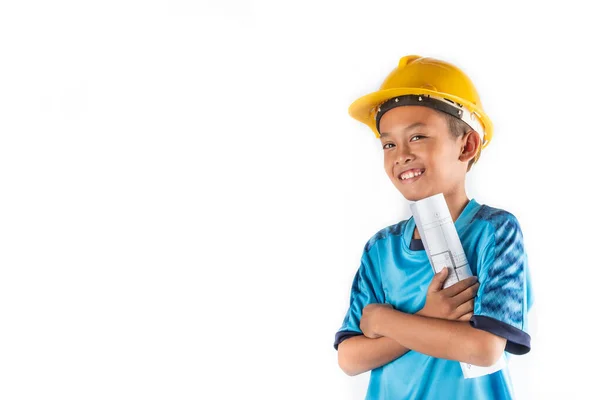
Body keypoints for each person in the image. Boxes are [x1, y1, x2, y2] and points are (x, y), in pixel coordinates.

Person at [333, 55, 534, 399]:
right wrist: (430, 317)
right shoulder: (381, 249)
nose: (401, 155)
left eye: (418, 137)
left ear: (467, 145)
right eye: (389, 144)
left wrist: (383, 322)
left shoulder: (495, 232)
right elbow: (350, 357)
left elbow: (483, 349)